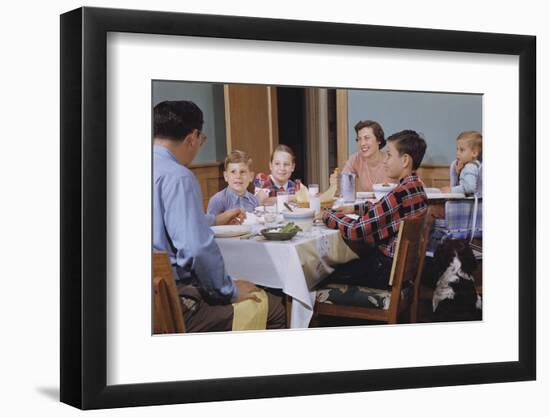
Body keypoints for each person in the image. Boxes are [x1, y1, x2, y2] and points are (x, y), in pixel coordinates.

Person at [153, 100, 286, 332]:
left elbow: (165, 222)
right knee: (276, 308)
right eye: (202, 140)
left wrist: (215, 219)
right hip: (174, 301)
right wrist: (229, 291)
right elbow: (195, 249)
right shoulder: (179, 177)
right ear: (192, 137)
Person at [320, 129, 428, 289]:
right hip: (399, 269)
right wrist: (355, 209)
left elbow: (356, 230)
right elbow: (386, 210)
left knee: (322, 274)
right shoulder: (416, 188)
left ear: (405, 160)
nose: (386, 161)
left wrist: (327, 214)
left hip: (385, 269)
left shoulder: (399, 193)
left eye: (390, 155)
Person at [338, 120, 394, 192]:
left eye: (367, 138)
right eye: (359, 139)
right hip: (368, 203)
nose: (362, 143)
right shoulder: (356, 159)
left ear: (379, 140)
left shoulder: (390, 160)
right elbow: (344, 183)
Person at [207, 150, 259, 216]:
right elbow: (211, 224)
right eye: (233, 172)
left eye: (242, 172)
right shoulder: (217, 201)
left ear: (251, 177)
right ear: (226, 176)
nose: (238, 176)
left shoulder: (255, 201)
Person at [441, 131, 482, 196]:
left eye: (462, 150)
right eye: (457, 149)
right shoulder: (470, 166)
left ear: (474, 153)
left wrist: (451, 190)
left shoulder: (470, 167)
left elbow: (469, 188)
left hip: (468, 205)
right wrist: (459, 172)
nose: (457, 153)